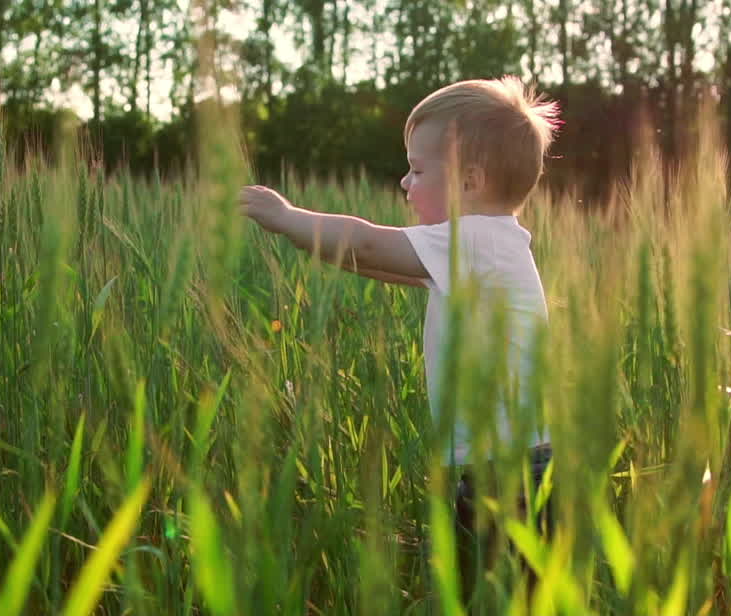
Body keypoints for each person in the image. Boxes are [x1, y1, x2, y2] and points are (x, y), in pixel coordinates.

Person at [239, 76, 558, 603]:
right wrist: (321, 247)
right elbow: (377, 261)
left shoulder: (478, 240)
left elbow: (366, 241)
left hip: (515, 475)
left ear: (471, 180)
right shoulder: (484, 246)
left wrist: (288, 218)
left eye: (417, 170)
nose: (405, 183)